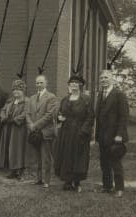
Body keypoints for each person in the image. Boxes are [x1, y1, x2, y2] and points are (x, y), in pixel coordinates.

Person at [54, 73, 94, 192]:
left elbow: (90, 117)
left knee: (78, 157)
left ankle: (77, 182)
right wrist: (59, 117)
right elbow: (60, 113)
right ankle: (67, 181)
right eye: (71, 83)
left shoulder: (86, 99)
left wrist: (84, 130)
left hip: (79, 132)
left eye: (76, 83)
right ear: (69, 85)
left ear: (80, 85)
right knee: (66, 156)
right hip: (66, 132)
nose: (74, 85)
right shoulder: (65, 99)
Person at [95, 69, 129, 197]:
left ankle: (119, 188)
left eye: (106, 78)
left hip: (115, 135)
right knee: (104, 162)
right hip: (102, 135)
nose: (103, 80)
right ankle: (107, 186)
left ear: (112, 79)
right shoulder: (100, 94)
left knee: (115, 161)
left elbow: (124, 116)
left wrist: (120, 134)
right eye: (102, 78)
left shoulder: (119, 94)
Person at [27, 74, 59, 188]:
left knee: (46, 157)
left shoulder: (51, 97)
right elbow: (28, 114)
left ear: (46, 83)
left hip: (45, 132)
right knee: (37, 157)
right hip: (34, 132)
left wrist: (35, 125)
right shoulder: (32, 98)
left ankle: (47, 180)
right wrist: (30, 124)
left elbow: (49, 115)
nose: (39, 85)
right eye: (37, 83)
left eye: (41, 82)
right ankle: (38, 178)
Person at [0, 80, 29, 179]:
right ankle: (12, 170)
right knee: (9, 149)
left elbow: (26, 113)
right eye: (14, 90)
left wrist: (15, 120)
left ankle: (20, 171)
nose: (16, 92)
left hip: (19, 130)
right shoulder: (10, 101)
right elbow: (3, 110)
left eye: (19, 90)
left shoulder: (27, 101)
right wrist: (4, 117)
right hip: (8, 128)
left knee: (18, 149)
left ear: (23, 90)